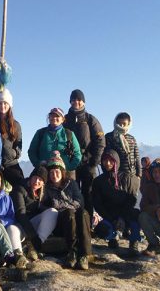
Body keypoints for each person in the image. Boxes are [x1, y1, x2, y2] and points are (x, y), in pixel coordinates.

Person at [43, 152, 92, 270]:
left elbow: (80, 201)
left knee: (83, 213)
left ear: (62, 172)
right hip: (60, 223)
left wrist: (65, 206)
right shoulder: (46, 189)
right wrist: (67, 207)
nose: (54, 175)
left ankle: (84, 254)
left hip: (75, 217)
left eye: (57, 172)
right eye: (52, 172)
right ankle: (72, 252)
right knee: (69, 213)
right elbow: (48, 207)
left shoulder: (72, 184)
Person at [64, 89, 105, 222]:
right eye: (74, 99)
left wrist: (95, 161)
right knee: (70, 192)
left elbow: (100, 141)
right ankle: (73, 222)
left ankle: (87, 222)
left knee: (88, 193)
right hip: (70, 163)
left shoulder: (90, 119)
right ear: (70, 101)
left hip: (88, 163)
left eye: (79, 99)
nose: (76, 102)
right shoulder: (64, 119)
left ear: (83, 102)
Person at [92, 149, 141, 256]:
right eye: (105, 160)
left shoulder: (128, 178)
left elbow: (131, 200)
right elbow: (98, 204)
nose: (107, 163)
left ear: (116, 162)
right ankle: (112, 237)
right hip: (109, 216)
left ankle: (134, 241)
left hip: (126, 214)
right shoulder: (98, 182)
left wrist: (122, 218)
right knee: (101, 230)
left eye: (111, 160)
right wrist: (112, 219)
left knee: (137, 216)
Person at [10, 166, 58, 261]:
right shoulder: (20, 189)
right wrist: (33, 236)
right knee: (12, 229)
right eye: (35, 177)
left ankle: (34, 247)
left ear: (44, 182)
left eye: (40, 179)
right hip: (21, 225)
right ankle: (19, 256)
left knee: (53, 212)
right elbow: (21, 214)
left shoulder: (43, 192)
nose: (36, 181)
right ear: (31, 177)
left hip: (34, 224)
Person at [28, 107, 82, 172]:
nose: (54, 118)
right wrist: (38, 164)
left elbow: (77, 154)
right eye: (52, 116)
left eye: (57, 116)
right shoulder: (40, 133)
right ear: (49, 118)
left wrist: (69, 167)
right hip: (45, 173)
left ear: (62, 119)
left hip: (65, 173)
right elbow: (32, 151)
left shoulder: (69, 134)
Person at [0, 89, 24, 187]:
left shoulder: (15, 125)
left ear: (10, 105)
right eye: (0, 103)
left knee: (21, 187)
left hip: (10, 163)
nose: (2, 106)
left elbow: (19, 145)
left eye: (5, 103)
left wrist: (13, 153)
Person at [105, 112, 141, 182]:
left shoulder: (131, 138)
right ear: (115, 123)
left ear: (129, 124)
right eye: (119, 123)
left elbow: (137, 157)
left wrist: (139, 175)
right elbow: (107, 156)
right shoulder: (109, 137)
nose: (121, 126)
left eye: (124, 124)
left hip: (132, 176)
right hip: (116, 176)